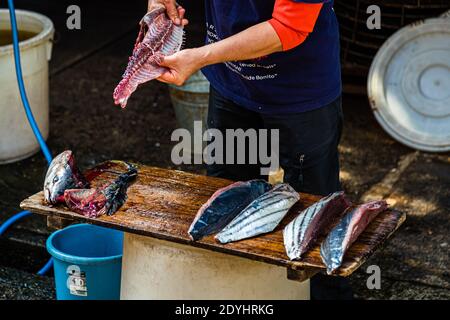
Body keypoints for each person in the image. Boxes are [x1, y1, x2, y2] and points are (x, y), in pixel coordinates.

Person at [148, 0, 352, 300]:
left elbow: (288, 27)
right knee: (228, 202)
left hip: (301, 93)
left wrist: (201, 57)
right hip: (233, 84)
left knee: (316, 219)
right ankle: (237, 295)